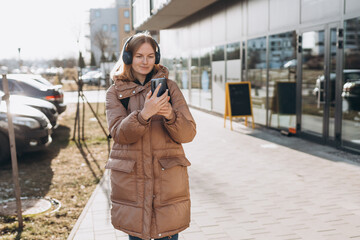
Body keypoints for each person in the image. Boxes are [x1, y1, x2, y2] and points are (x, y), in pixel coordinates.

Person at [105, 31, 196, 240]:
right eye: (139, 56)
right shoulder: (115, 93)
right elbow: (119, 134)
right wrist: (145, 114)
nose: (145, 62)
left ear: (157, 57)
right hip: (132, 184)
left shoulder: (170, 88)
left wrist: (170, 115)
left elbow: (189, 133)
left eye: (150, 56)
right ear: (128, 58)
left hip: (167, 183)